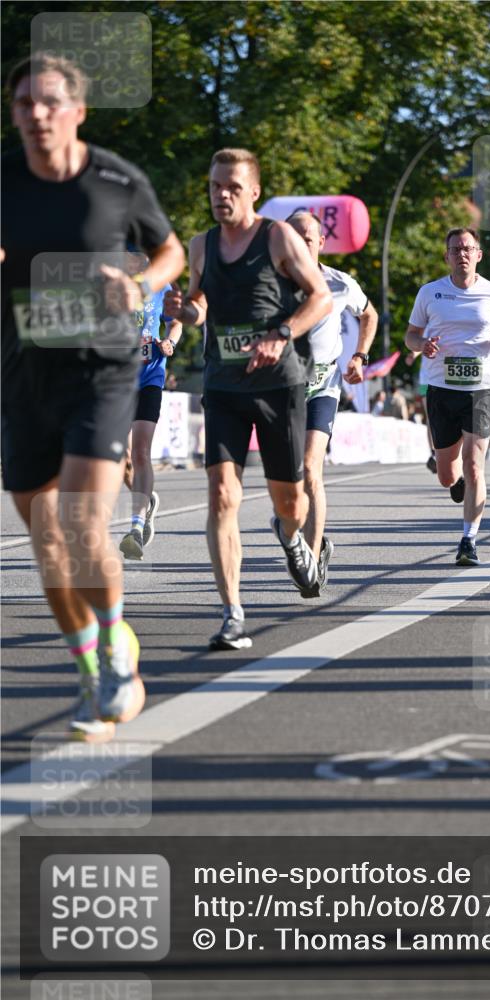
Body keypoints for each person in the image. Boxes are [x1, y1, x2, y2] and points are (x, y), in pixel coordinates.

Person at [1, 53, 185, 739]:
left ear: (77, 110)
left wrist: (139, 286)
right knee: (46, 542)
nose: (37, 115)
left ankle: (115, 652)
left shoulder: (116, 180)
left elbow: (169, 253)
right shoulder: (4, 179)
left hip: (103, 370)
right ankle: (89, 669)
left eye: (50, 102)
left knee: (80, 521)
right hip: (24, 373)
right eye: (24, 103)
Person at [164, 148, 332, 650]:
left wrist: (282, 331)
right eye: (215, 186)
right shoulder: (201, 245)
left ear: (254, 191)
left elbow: (320, 296)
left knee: (290, 503)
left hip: (279, 385)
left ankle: (293, 539)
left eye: (233, 187)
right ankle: (233, 612)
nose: (222, 195)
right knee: (221, 496)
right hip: (224, 385)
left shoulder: (277, 237)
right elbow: (198, 308)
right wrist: (184, 309)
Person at [404, 227, 490, 565]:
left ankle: (469, 540)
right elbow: (410, 335)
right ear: (447, 256)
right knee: (447, 474)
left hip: (482, 387)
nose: (462, 254)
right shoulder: (430, 293)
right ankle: (454, 482)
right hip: (442, 387)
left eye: (468, 248)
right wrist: (422, 344)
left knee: (474, 464)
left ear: (478, 254)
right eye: (455, 249)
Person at [287, 210, 378, 596]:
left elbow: (369, 314)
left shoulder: (340, 283)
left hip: (323, 385)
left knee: (311, 469)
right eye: (294, 236)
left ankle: (308, 557)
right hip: (283, 388)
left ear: (321, 243)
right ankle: (314, 540)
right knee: (287, 481)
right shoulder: (269, 281)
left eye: (309, 238)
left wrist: (359, 356)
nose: (302, 243)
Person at [120, 260, 183, 560]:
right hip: (116, 380)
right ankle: (147, 501)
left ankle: (136, 526)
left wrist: (170, 342)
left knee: (140, 452)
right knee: (119, 459)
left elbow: (177, 320)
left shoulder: (160, 285)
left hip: (149, 377)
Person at [406, 348, 437, 472]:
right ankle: (434, 453)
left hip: (447, 378)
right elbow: (421, 343)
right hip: (427, 380)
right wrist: (413, 353)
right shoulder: (426, 328)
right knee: (431, 416)